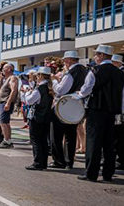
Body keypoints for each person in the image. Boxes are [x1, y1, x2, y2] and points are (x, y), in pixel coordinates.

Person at [78, 45, 124, 182]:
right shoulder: (119, 73)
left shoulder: (95, 70)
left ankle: (91, 173)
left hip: (96, 110)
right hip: (112, 112)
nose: (95, 57)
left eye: (97, 55)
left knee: (93, 143)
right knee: (109, 144)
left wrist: (79, 95)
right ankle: (108, 174)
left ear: (102, 56)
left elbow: (86, 89)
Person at [50, 51, 89, 169]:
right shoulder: (85, 71)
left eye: (65, 60)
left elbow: (60, 90)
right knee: (70, 136)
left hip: (63, 106)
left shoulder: (70, 73)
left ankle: (59, 161)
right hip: (76, 107)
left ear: (69, 60)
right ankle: (69, 161)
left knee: (56, 135)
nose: (64, 63)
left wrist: (55, 80)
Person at [24, 67, 53, 170]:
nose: (36, 78)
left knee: (36, 140)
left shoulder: (39, 89)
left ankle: (37, 162)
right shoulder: (49, 88)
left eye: (37, 76)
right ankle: (43, 162)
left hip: (36, 117)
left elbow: (29, 101)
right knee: (43, 140)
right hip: (45, 117)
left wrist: (27, 92)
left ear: (40, 76)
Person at [0, 63, 20, 149]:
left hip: (5, 102)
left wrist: (8, 103)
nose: (2, 69)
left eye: (4, 68)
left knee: (3, 122)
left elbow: (13, 90)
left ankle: (7, 140)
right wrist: (1, 78)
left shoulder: (12, 78)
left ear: (9, 69)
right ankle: (8, 139)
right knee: (5, 122)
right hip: (2, 102)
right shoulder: (5, 79)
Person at [112, 54, 124, 169]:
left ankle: (120, 159)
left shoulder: (120, 74)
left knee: (119, 136)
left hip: (120, 109)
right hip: (119, 108)